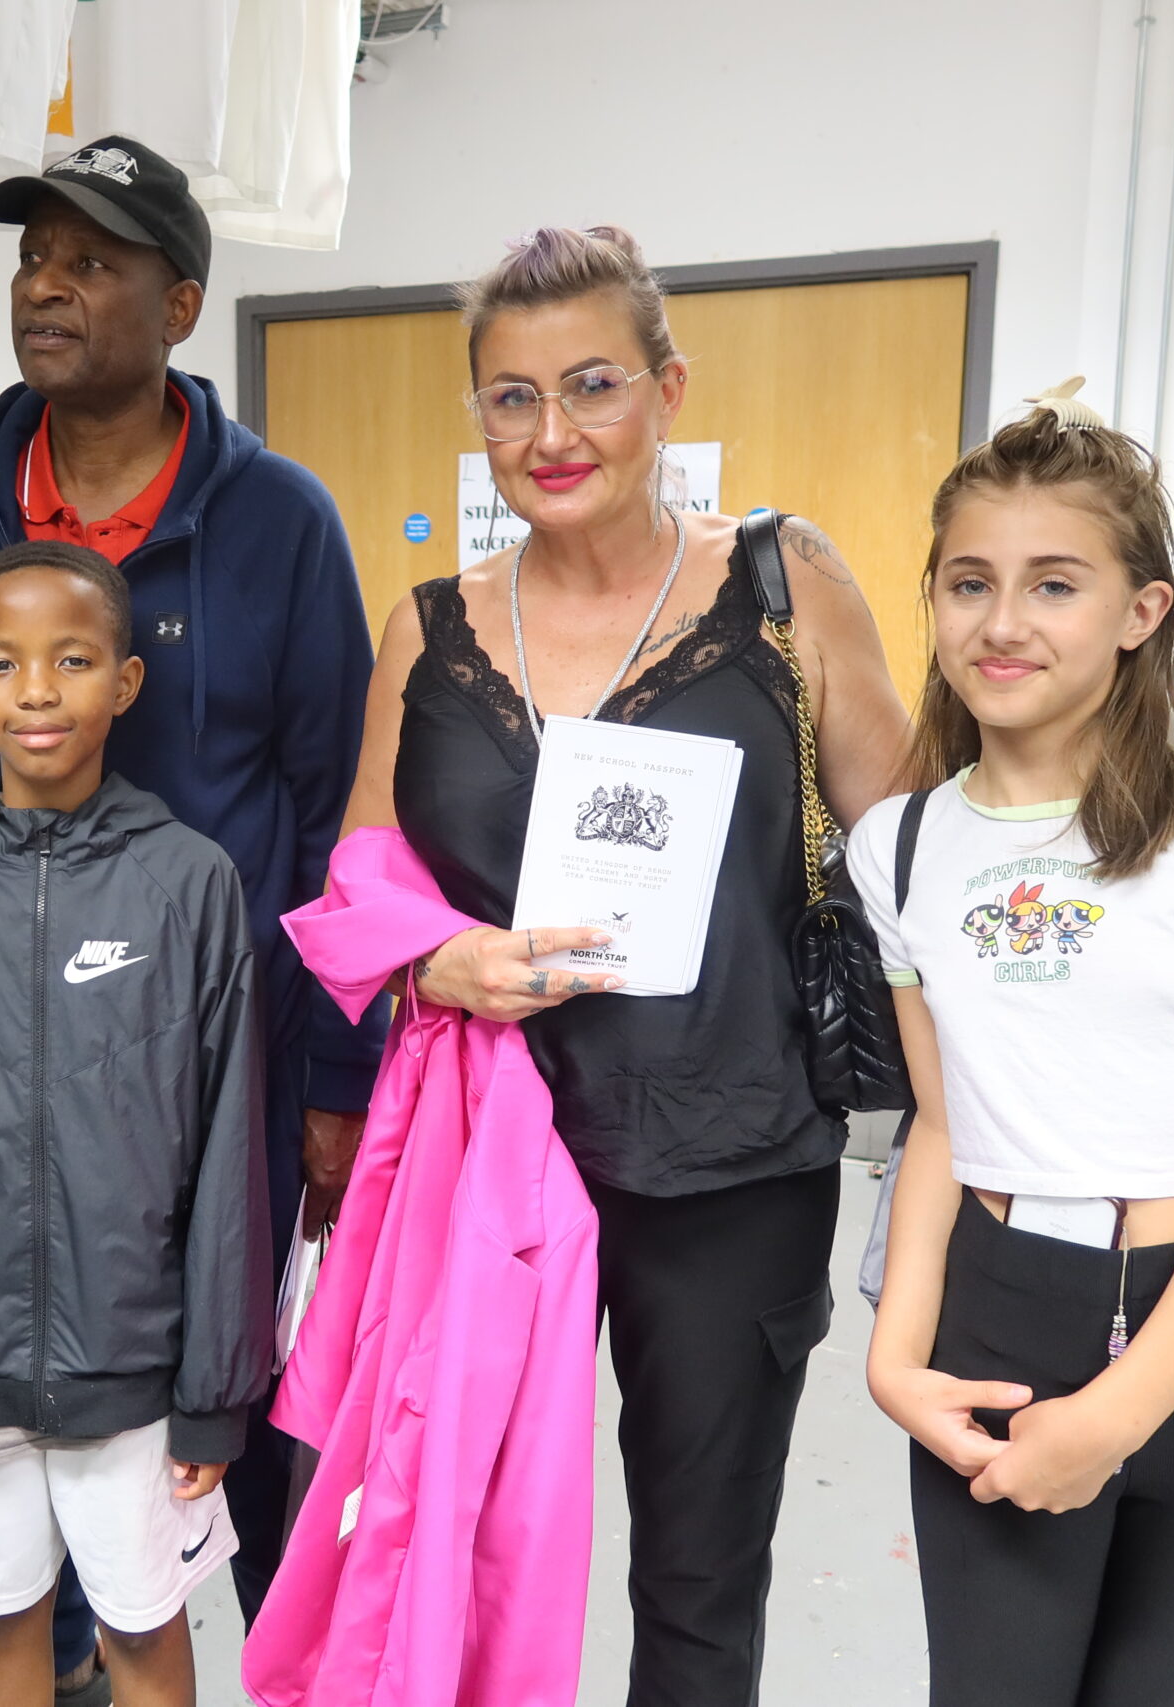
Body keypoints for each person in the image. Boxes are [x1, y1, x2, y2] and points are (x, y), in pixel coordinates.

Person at [338, 225, 910, 1706]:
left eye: (591, 385)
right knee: (448, 1540)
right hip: (493, 1157)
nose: (552, 433)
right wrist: (436, 957)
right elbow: (362, 875)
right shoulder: (429, 629)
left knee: (700, 1580)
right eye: (511, 396)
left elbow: (913, 848)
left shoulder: (782, 585)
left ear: (667, 390)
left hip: (730, 1155)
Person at [0, 131, 379, 1683]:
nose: (46, 285)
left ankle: (281, 1664)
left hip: (220, 1074)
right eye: (35, 256)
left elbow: (337, 812)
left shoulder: (278, 518)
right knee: (27, 1439)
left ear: (179, 305)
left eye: (93, 262)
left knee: (231, 1440)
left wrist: (332, 1075)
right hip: (1, 1080)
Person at [854, 394, 1174, 1706]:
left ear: (1142, 610)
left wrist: (1114, 1417)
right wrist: (897, 1358)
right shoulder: (899, 845)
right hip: (1001, 1314)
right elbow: (943, 1124)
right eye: (970, 581)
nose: (1001, 622)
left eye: (1054, 584)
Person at [0, 539, 270, 1707]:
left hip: (136, 1362)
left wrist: (213, 1387)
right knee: (0, 1612)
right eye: (3, 663)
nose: (35, 691)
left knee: (144, 1623)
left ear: (125, 682)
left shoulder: (189, 882)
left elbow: (228, 1153)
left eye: (71, 660)